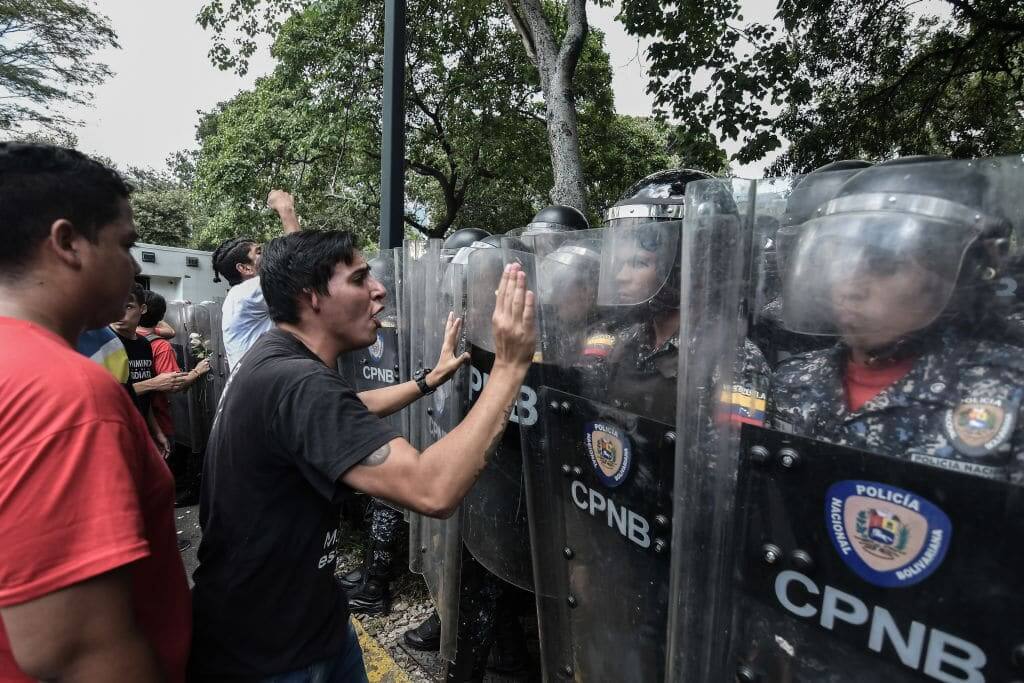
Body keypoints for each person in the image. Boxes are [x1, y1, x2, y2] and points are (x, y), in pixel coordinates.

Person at [190, 230, 536, 681]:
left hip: (310, 623)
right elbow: (432, 489)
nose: (379, 289)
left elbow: (344, 411)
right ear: (309, 296)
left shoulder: (276, 360)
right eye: (358, 279)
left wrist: (427, 381)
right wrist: (510, 368)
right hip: (272, 653)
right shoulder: (298, 382)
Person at [0, 141, 190, 681]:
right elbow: (78, 651)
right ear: (68, 243)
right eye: (125, 244)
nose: (133, 268)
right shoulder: (61, 391)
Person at [770, 158, 1024, 483]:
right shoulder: (794, 380)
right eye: (836, 262)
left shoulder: (1008, 394)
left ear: (956, 276)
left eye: (883, 264)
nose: (848, 285)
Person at [212, 188, 301, 371]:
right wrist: (286, 211)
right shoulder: (246, 292)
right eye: (259, 252)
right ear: (245, 268)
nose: (266, 254)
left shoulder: (239, 296)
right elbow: (296, 264)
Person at [138, 290, 211, 506]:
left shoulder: (129, 336)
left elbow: (169, 331)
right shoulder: (161, 345)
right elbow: (175, 384)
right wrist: (198, 371)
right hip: (158, 418)